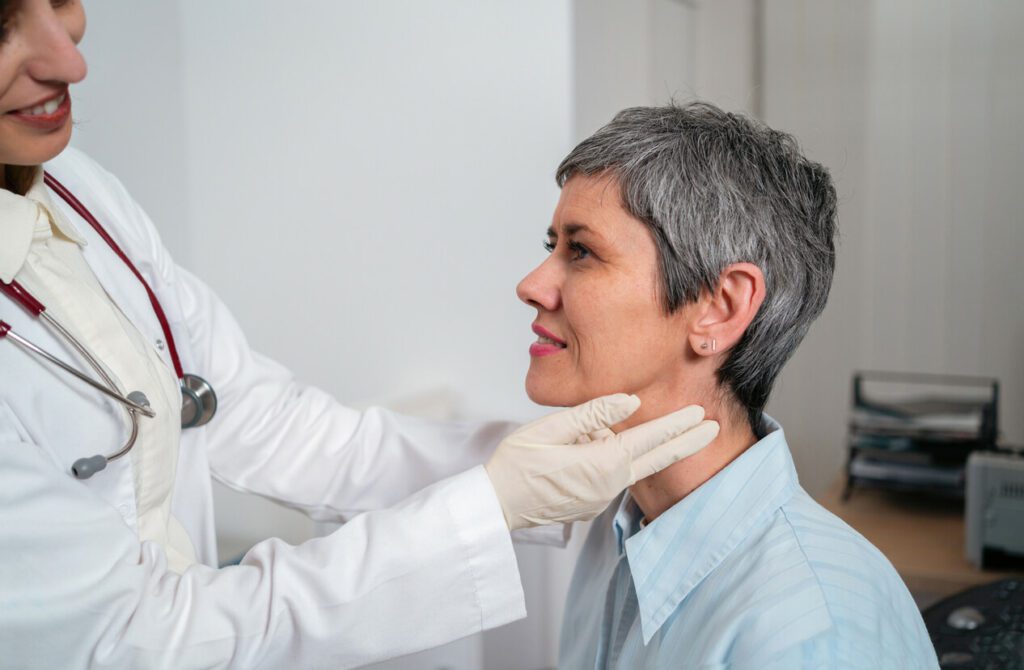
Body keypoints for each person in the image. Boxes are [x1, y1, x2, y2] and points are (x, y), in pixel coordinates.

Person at [0, 2, 721, 668]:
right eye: (3, 25)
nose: (70, 60)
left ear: (722, 306)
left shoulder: (76, 189)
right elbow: (140, 637)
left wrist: (507, 473)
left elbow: (273, 425)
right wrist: (493, 502)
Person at [516, 103, 941, 669]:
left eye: (583, 251)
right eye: (553, 247)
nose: (532, 285)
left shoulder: (809, 636)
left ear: (720, 307)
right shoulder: (616, 533)